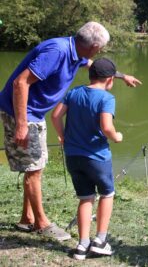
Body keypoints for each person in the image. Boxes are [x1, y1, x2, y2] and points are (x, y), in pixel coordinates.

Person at [0, 21, 141, 241]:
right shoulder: (57, 52)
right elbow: (20, 83)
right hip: (22, 113)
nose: (100, 51)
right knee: (34, 169)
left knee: (35, 166)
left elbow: (95, 67)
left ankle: (27, 217)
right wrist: (21, 124)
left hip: (35, 114)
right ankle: (42, 223)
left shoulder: (77, 51)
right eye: (101, 47)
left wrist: (122, 77)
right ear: (94, 45)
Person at [51, 58, 122, 260]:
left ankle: (82, 245)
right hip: (97, 157)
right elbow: (107, 127)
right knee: (107, 193)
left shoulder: (74, 92)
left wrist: (63, 136)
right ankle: (100, 240)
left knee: (85, 197)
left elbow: (55, 116)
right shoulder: (107, 98)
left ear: (90, 76)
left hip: (73, 156)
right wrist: (117, 136)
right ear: (110, 80)